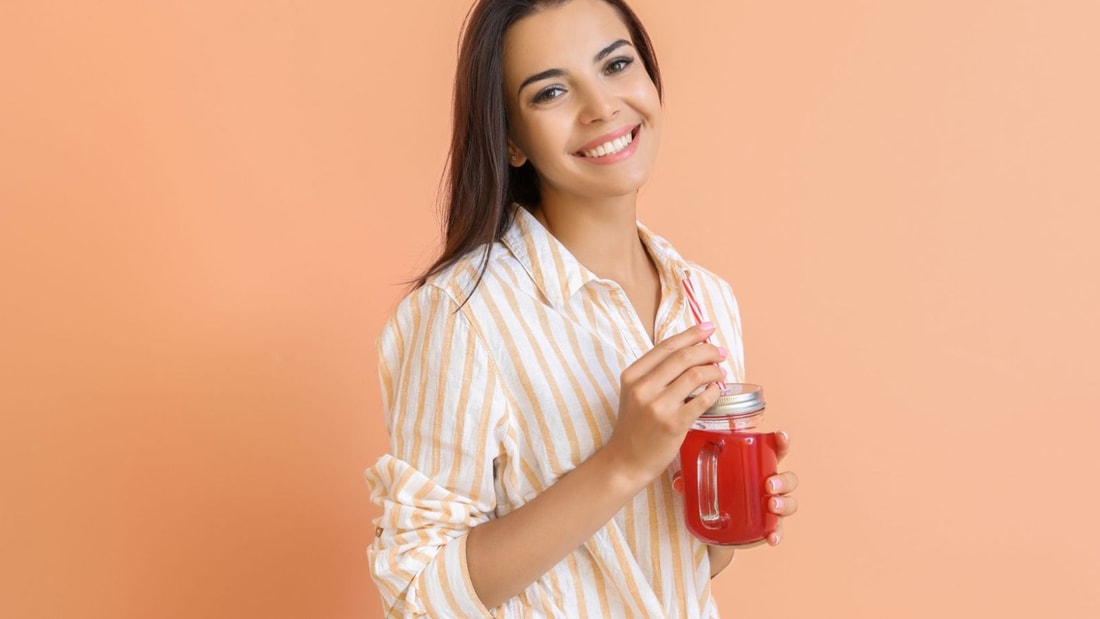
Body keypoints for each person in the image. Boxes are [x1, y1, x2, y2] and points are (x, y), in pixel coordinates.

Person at [365, 0, 800, 615]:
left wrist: (727, 510)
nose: (601, 108)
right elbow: (419, 592)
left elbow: (679, 568)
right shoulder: (462, 315)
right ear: (511, 138)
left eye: (617, 65)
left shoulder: (705, 299)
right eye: (550, 93)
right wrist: (622, 462)